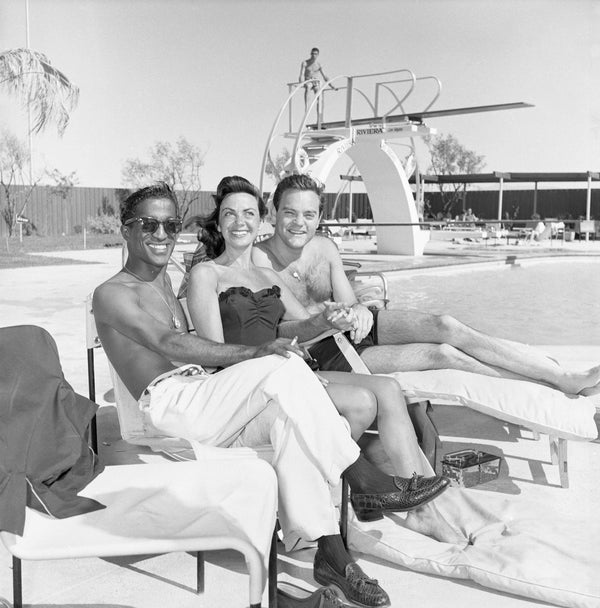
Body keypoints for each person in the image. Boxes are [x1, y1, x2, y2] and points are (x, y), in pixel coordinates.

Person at [93, 182, 450, 608]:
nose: (161, 234)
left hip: (201, 395)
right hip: (169, 404)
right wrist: (256, 350)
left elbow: (280, 327)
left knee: (289, 421)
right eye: (148, 224)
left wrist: (324, 320)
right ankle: (363, 477)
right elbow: (167, 343)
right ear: (126, 229)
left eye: (170, 225)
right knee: (280, 364)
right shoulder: (113, 292)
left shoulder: (165, 282)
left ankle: (331, 553)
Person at [186, 175, 460, 544]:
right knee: (363, 402)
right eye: (230, 214)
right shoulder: (206, 274)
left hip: (290, 369)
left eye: (249, 213)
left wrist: (331, 317)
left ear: (260, 219)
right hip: (249, 387)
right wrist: (268, 358)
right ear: (218, 222)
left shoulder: (265, 274)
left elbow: (301, 325)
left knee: (389, 388)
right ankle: (354, 489)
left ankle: (417, 508)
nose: (240, 222)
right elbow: (214, 353)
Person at [253, 174, 600, 396]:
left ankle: (562, 376)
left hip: (348, 330)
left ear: (319, 217)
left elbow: (349, 302)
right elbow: (294, 326)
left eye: (309, 214)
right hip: (320, 353)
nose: (300, 223)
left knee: (445, 325)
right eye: (290, 213)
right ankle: (549, 389)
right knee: (442, 355)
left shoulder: (325, 248)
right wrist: (340, 318)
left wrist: (358, 311)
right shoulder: (259, 260)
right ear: (274, 211)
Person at [299, 47, 336, 112]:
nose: (314, 55)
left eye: (315, 54)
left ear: (318, 55)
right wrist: (301, 82)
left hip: (316, 82)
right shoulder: (305, 63)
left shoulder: (319, 64)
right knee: (308, 87)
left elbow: (325, 76)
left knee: (319, 95)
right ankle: (307, 109)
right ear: (310, 54)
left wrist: (332, 85)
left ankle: (319, 116)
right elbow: (301, 74)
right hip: (308, 81)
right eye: (312, 54)